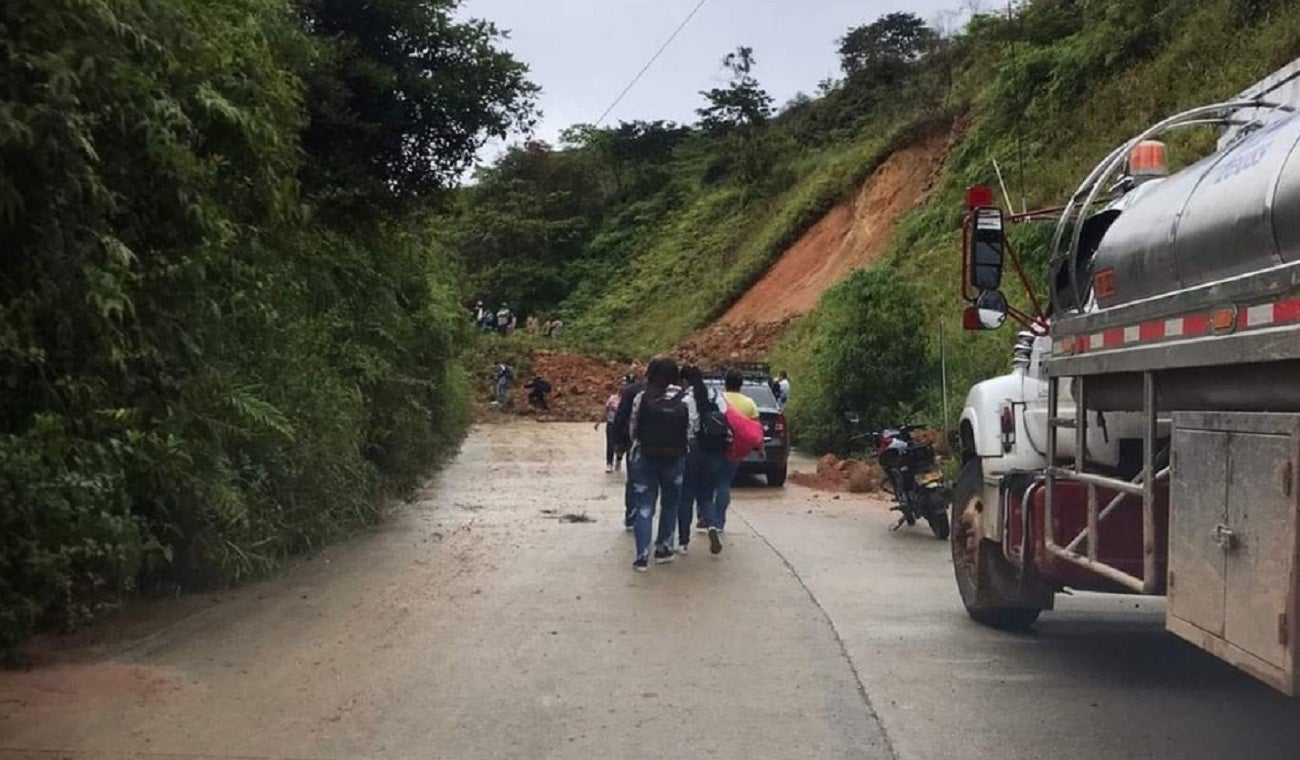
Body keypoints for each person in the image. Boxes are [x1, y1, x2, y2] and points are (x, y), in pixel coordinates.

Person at [627, 358, 694, 572]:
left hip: (644, 457)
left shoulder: (642, 396)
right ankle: (664, 548)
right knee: (671, 504)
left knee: (644, 506)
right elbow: (690, 431)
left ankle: (641, 556)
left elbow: (633, 427)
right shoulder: (686, 399)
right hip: (675, 459)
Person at [676, 365, 728, 555]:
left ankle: (683, 542)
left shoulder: (686, 399)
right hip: (714, 450)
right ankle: (712, 525)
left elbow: (684, 427)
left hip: (693, 450)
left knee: (686, 497)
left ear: (684, 381)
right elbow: (726, 416)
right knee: (707, 495)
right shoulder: (716, 395)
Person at [708, 369, 761, 554]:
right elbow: (756, 429)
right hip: (736, 450)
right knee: (724, 484)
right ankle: (718, 522)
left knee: (708, 484)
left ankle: (704, 517)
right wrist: (760, 449)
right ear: (741, 384)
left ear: (725, 383)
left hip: (715, 446)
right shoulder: (749, 404)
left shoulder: (718, 399)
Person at [611, 372, 645, 528]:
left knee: (633, 481)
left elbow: (621, 417)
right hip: (666, 448)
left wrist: (617, 442)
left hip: (635, 444)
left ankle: (632, 516)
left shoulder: (632, 391)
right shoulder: (673, 392)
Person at [595, 381, 625, 473]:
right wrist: (598, 422)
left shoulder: (627, 400)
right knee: (610, 443)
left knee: (621, 444)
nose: (622, 388)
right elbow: (606, 410)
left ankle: (619, 459)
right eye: (621, 386)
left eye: (624, 386)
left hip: (621, 425)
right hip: (611, 423)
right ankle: (609, 463)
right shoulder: (612, 398)